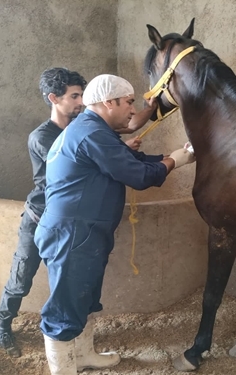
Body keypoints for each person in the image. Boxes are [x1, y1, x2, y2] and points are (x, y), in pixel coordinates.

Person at [35, 74, 195, 374]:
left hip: (83, 231)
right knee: (66, 304)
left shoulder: (95, 130)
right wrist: (175, 161)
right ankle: (62, 369)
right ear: (109, 102)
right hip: (73, 232)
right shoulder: (91, 133)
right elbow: (138, 176)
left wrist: (176, 156)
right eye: (128, 102)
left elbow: (131, 161)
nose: (133, 111)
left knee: (85, 295)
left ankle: (82, 355)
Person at [0, 68, 157, 357]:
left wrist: (150, 111)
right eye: (75, 95)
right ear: (54, 98)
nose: (81, 101)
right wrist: (118, 153)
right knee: (21, 278)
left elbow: (124, 128)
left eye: (82, 94)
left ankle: (82, 354)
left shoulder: (86, 125)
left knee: (77, 290)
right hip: (42, 215)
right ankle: (2, 326)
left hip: (72, 222)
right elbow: (92, 155)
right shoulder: (45, 136)